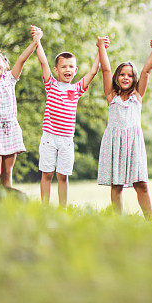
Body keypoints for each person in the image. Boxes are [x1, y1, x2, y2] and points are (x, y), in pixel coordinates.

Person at [32, 26, 100, 206]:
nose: (67, 70)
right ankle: (44, 208)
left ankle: (63, 209)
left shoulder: (76, 89)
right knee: (46, 174)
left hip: (66, 140)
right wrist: (37, 40)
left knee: (63, 176)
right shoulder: (51, 85)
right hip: (49, 138)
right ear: (56, 70)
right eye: (63, 67)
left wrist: (101, 49)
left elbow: (93, 71)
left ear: (76, 70)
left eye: (71, 67)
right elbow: (43, 62)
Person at [96, 35, 152, 220]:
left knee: (142, 184)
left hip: (133, 144)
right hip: (114, 143)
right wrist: (101, 47)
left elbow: (146, 71)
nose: (125, 77)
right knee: (117, 186)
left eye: (130, 75)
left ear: (134, 79)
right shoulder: (111, 96)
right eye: (122, 74)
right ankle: (118, 220)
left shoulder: (137, 96)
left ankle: (151, 220)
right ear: (117, 77)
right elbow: (105, 69)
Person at [0, 26, 39, 188]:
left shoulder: (10, 78)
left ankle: (5, 207)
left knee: (7, 174)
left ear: (5, 63)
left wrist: (35, 41)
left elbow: (22, 59)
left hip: (10, 128)